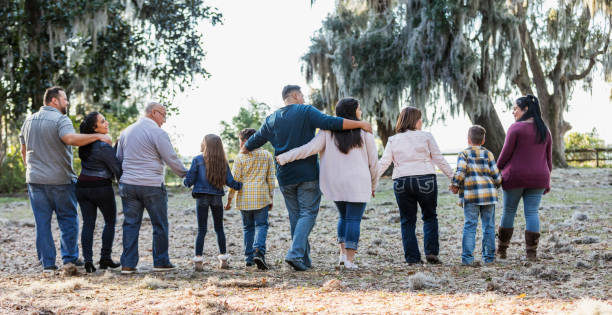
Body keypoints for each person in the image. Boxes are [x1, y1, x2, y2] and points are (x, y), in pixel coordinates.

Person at [243, 85, 372, 271]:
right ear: (295, 95)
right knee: (308, 214)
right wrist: (360, 124)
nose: (303, 97)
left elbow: (250, 143)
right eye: (302, 94)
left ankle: (304, 260)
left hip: (284, 175)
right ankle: (294, 254)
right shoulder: (305, 110)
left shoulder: (270, 119)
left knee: (296, 217)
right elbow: (332, 123)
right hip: (306, 173)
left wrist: (243, 153)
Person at [276, 98, 378, 270]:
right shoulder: (364, 133)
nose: (360, 113)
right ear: (352, 112)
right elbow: (373, 163)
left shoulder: (327, 132)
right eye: (359, 109)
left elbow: (308, 149)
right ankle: (349, 261)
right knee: (353, 219)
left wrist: (285, 157)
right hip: (358, 182)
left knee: (343, 217)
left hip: (336, 183)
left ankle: (342, 256)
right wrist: (373, 184)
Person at [19, 86, 111, 272]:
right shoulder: (61, 119)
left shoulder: (28, 120)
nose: (67, 102)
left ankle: (48, 264)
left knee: (42, 223)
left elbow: (23, 149)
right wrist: (97, 136)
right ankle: (69, 259)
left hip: (35, 181)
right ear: (54, 101)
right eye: (65, 99)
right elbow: (70, 139)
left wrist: (30, 169)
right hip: (60, 180)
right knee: (68, 219)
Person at [116, 102, 188, 274]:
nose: (164, 120)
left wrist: (124, 178)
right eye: (164, 115)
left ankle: (128, 264)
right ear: (154, 113)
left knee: (130, 224)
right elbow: (170, 157)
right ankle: (161, 262)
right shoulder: (158, 132)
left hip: (129, 185)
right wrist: (186, 174)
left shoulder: (126, 131)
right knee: (160, 224)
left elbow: (118, 158)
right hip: (152, 185)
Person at [377, 106, 454, 265]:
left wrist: (370, 181)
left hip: (401, 182)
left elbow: (384, 163)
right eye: (419, 118)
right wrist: (454, 178)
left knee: (407, 220)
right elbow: (439, 159)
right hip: (425, 179)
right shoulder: (426, 136)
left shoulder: (393, 139)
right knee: (430, 216)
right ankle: (431, 252)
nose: (421, 121)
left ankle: (412, 258)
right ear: (414, 121)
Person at [496, 95, 552, 261]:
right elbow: (549, 160)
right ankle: (531, 253)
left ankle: (502, 250)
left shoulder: (516, 128)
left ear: (526, 109)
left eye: (516, 109)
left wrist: (496, 170)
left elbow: (505, 155)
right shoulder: (545, 130)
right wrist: (547, 181)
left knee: (509, 211)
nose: (513, 112)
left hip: (515, 177)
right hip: (539, 178)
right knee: (532, 213)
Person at [184, 134, 242, 271]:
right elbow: (231, 182)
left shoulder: (197, 160)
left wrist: (185, 181)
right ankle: (223, 260)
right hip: (217, 198)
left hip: (201, 198)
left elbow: (189, 181)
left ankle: (198, 261)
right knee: (219, 228)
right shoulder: (223, 162)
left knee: (202, 229)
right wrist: (243, 184)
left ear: (206, 145)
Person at [76, 112, 123, 273]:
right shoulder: (103, 145)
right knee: (110, 221)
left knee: (88, 223)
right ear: (94, 128)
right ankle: (105, 258)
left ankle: (88, 262)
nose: (106, 123)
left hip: (82, 186)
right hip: (101, 187)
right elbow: (116, 168)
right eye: (103, 121)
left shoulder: (84, 144)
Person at [450, 125, 502, 266]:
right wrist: (495, 185)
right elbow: (496, 176)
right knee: (489, 226)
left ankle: (467, 259)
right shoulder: (488, 154)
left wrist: (455, 185)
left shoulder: (464, 154)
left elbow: (460, 172)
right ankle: (489, 258)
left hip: (471, 196)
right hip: (488, 196)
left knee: (470, 226)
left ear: (468, 139)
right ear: (483, 140)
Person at [225, 128, 275, 270]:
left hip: (244, 199)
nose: (240, 144)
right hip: (261, 197)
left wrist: (229, 200)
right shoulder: (266, 155)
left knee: (248, 228)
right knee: (262, 225)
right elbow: (271, 179)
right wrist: (271, 198)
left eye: (240, 141)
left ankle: (248, 258)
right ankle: (258, 251)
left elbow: (235, 180)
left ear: (246, 141)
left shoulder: (240, 157)